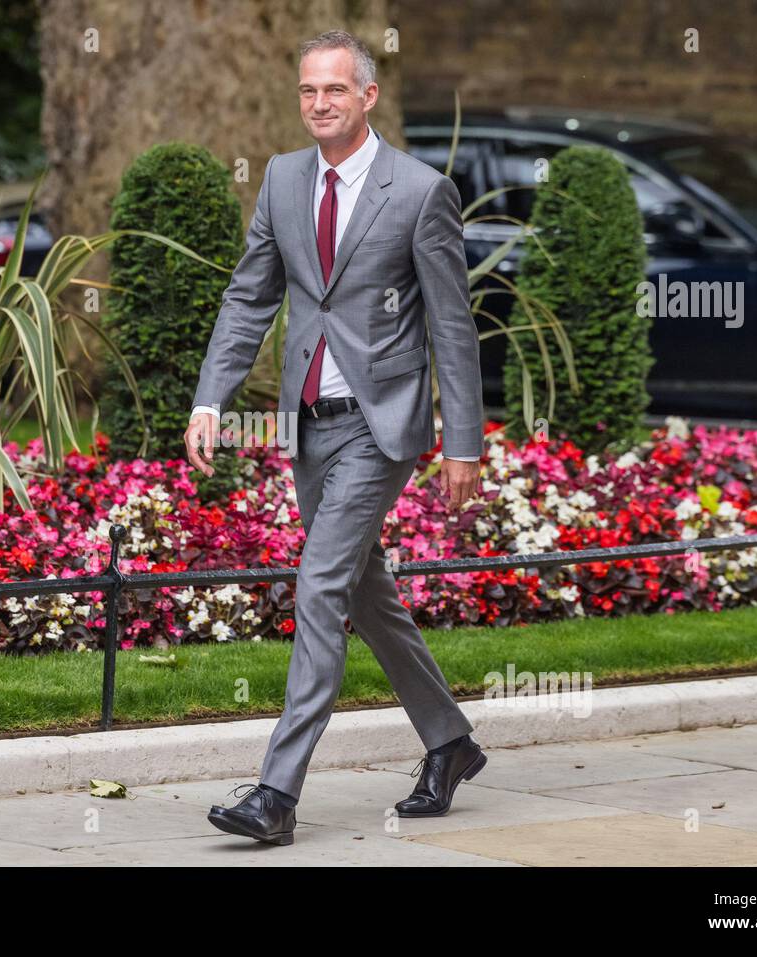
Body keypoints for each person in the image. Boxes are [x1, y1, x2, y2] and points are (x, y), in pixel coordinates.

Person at [183, 29, 487, 846]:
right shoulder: (283, 180)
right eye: (308, 92)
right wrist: (211, 397)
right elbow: (250, 298)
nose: (320, 104)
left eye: (335, 91)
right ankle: (451, 742)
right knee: (361, 590)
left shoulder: (420, 192)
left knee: (318, 585)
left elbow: (452, 329)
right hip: (309, 429)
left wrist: (464, 443)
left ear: (368, 96)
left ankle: (276, 793)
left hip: (380, 429)